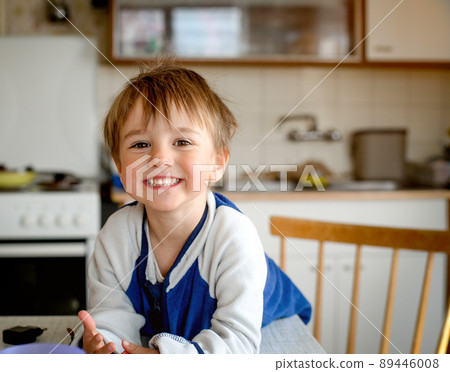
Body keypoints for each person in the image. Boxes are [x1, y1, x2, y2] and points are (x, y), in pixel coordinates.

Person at [77, 60, 311, 354]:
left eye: (182, 141)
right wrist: (105, 343)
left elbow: (237, 343)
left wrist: (168, 358)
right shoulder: (116, 235)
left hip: (270, 327)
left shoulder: (233, 236)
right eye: (140, 145)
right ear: (120, 167)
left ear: (216, 163)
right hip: (182, 336)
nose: (160, 158)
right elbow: (113, 315)